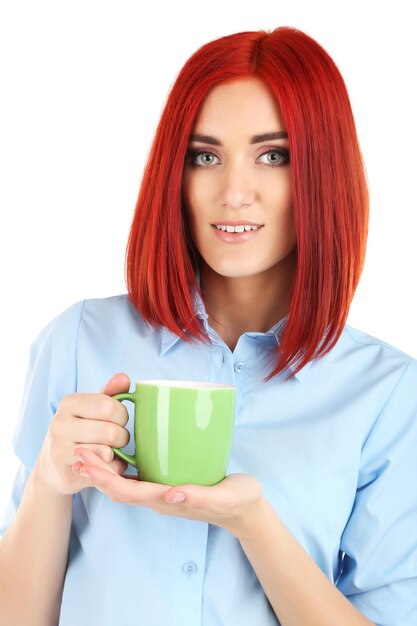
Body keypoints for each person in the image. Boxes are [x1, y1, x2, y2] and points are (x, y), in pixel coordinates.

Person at [0, 25, 416, 626]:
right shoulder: (78, 341)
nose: (234, 192)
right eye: (205, 156)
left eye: (274, 155)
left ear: (323, 174)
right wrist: (47, 481)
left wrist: (253, 523)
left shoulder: (385, 392)